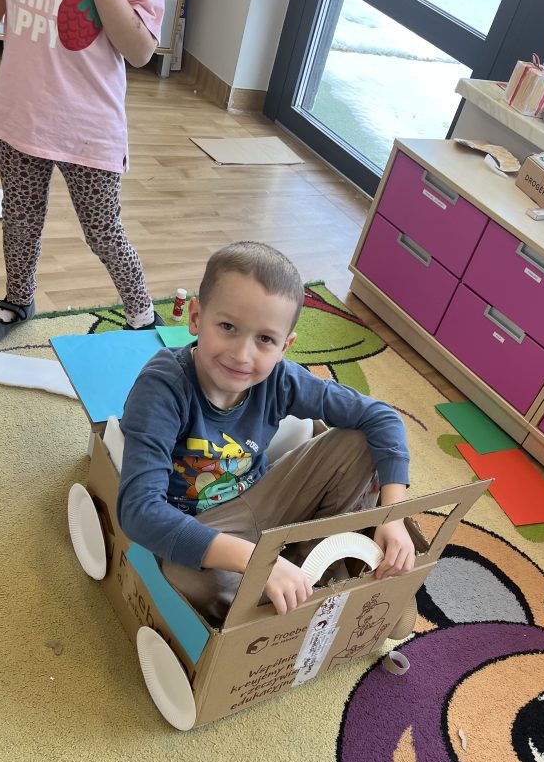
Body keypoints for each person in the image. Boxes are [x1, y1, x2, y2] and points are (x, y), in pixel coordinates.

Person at [117, 241, 416, 623]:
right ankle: (292, 583)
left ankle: (305, 565)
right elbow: (139, 511)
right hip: (200, 524)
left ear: (284, 346)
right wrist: (256, 561)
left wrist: (392, 515)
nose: (242, 355)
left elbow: (382, 418)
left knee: (358, 441)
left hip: (262, 498)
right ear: (196, 318)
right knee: (186, 577)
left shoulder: (280, 378)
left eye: (265, 340)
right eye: (228, 327)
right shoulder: (162, 388)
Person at [0, 0, 165, 345]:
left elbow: (140, 51)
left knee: (103, 230)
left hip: (90, 126)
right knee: (20, 218)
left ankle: (143, 317)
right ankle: (18, 299)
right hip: (22, 111)